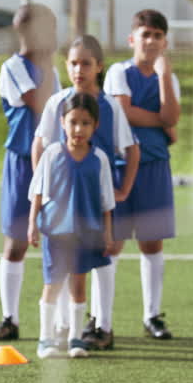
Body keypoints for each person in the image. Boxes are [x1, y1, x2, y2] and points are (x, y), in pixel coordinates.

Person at [31, 35, 138, 351]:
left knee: (103, 259)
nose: (79, 69)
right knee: (64, 262)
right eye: (74, 63)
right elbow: (41, 143)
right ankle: (63, 326)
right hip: (62, 202)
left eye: (86, 63)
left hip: (96, 199)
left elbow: (132, 150)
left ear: (99, 66)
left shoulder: (111, 107)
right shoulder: (57, 102)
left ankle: (102, 326)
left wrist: (124, 189)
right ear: (66, 65)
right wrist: (44, 185)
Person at [0, 3, 60, 342]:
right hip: (21, 162)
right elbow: (42, 102)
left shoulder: (54, 70)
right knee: (16, 241)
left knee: (59, 237)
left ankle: (60, 321)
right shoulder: (14, 67)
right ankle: (9, 318)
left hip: (55, 161)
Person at [104, 9, 180, 341]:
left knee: (152, 242)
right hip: (120, 166)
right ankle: (100, 319)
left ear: (165, 42)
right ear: (132, 38)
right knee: (112, 243)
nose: (150, 41)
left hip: (155, 165)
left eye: (157, 36)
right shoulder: (118, 72)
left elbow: (173, 114)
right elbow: (123, 112)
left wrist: (164, 78)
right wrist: (162, 122)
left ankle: (152, 315)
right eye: (145, 34)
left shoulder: (169, 77)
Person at [27, 92, 118, 359]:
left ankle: (76, 339)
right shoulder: (53, 154)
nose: (79, 129)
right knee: (53, 284)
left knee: (78, 287)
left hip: (87, 234)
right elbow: (39, 192)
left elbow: (106, 201)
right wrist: (33, 224)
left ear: (95, 126)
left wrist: (108, 234)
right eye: (73, 122)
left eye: (86, 123)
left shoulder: (99, 159)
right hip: (56, 233)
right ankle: (46, 339)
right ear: (62, 122)